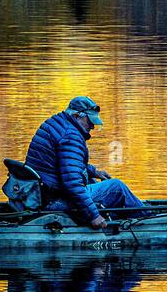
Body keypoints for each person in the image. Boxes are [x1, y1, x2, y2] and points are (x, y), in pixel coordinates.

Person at [25, 96, 148, 228]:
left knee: (92, 182)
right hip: (55, 200)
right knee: (117, 187)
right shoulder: (71, 135)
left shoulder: (56, 123)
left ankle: (120, 214)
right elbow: (72, 184)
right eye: (90, 121)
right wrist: (93, 216)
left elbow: (64, 164)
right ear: (77, 116)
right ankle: (148, 222)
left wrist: (93, 172)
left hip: (41, 194)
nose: (92, 126)